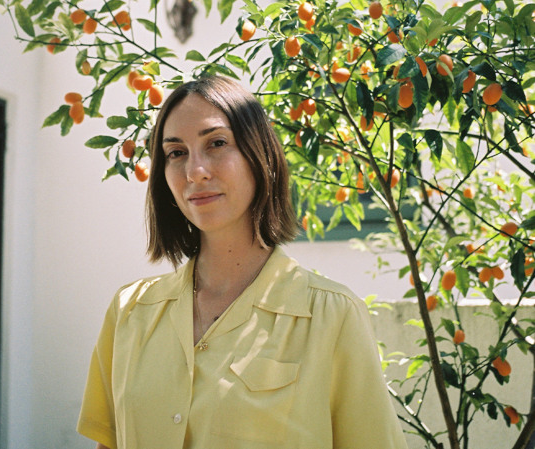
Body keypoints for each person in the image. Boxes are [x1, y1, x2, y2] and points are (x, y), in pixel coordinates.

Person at [77, 76, 408, 449]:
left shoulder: (332, 316)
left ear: (259, 155)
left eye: (216, 143)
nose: (195, 171)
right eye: (176, 153)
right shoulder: (129, 313)